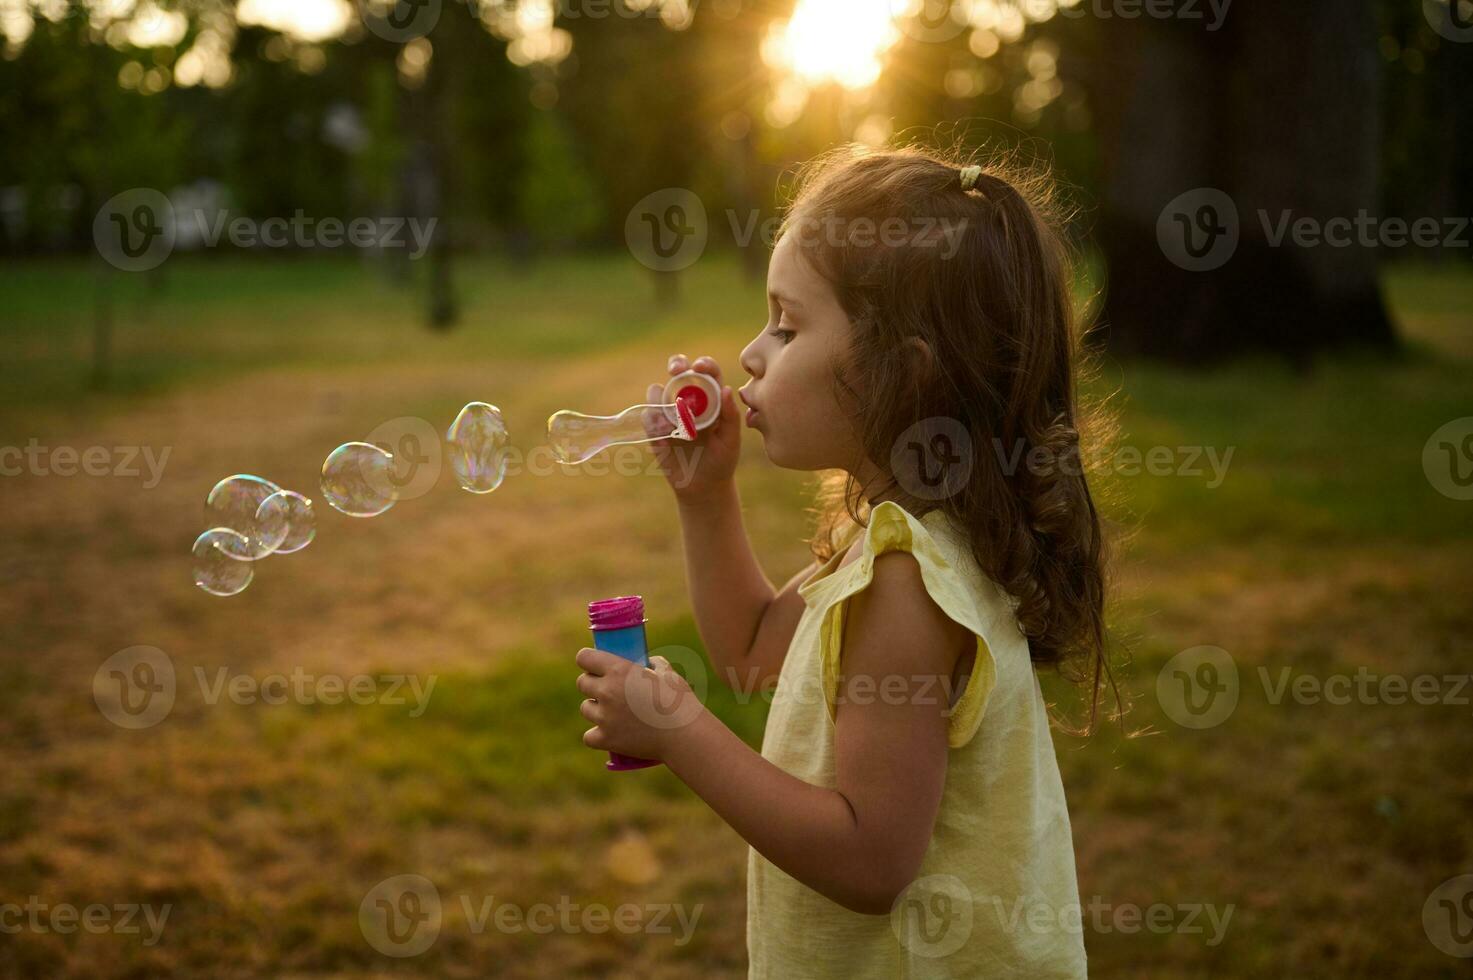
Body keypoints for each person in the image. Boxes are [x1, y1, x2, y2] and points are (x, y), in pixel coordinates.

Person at [575, 143, 1110, 977]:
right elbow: (752, 653)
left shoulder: (904, 581)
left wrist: (679, 733)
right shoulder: (896, 538)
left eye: (787, 325)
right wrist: (705, 497)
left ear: (900, 371)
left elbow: (870, 862)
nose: (752, 353)